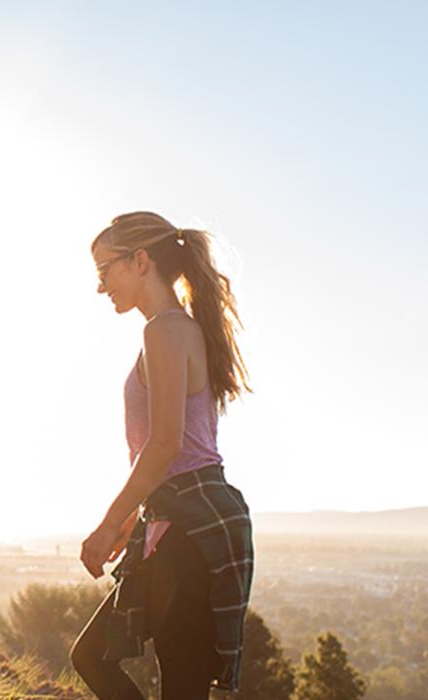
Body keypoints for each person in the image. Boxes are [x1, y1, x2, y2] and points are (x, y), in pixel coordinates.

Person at [71, 212, 254, 699]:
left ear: (141, 260)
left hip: (192, 527)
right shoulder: (173, 329)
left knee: (176, 684)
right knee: (97, 657)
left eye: (104, 270)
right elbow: (175, 450)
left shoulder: (166, 331)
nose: (100, 286)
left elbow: (166, 445)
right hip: (180, 518)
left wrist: (110, 522)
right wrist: (135, 518)